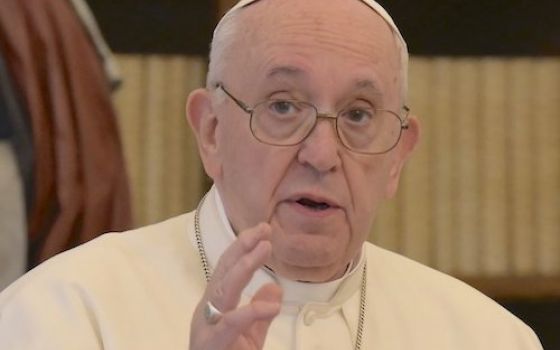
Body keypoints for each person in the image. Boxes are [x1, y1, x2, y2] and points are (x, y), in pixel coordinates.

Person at [0, 0, 544, 349]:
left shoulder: (489, 337)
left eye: (357, 114)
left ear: (398, 153)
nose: (322, 153)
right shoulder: (65, 312)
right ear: (210, 132)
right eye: (284, 106)